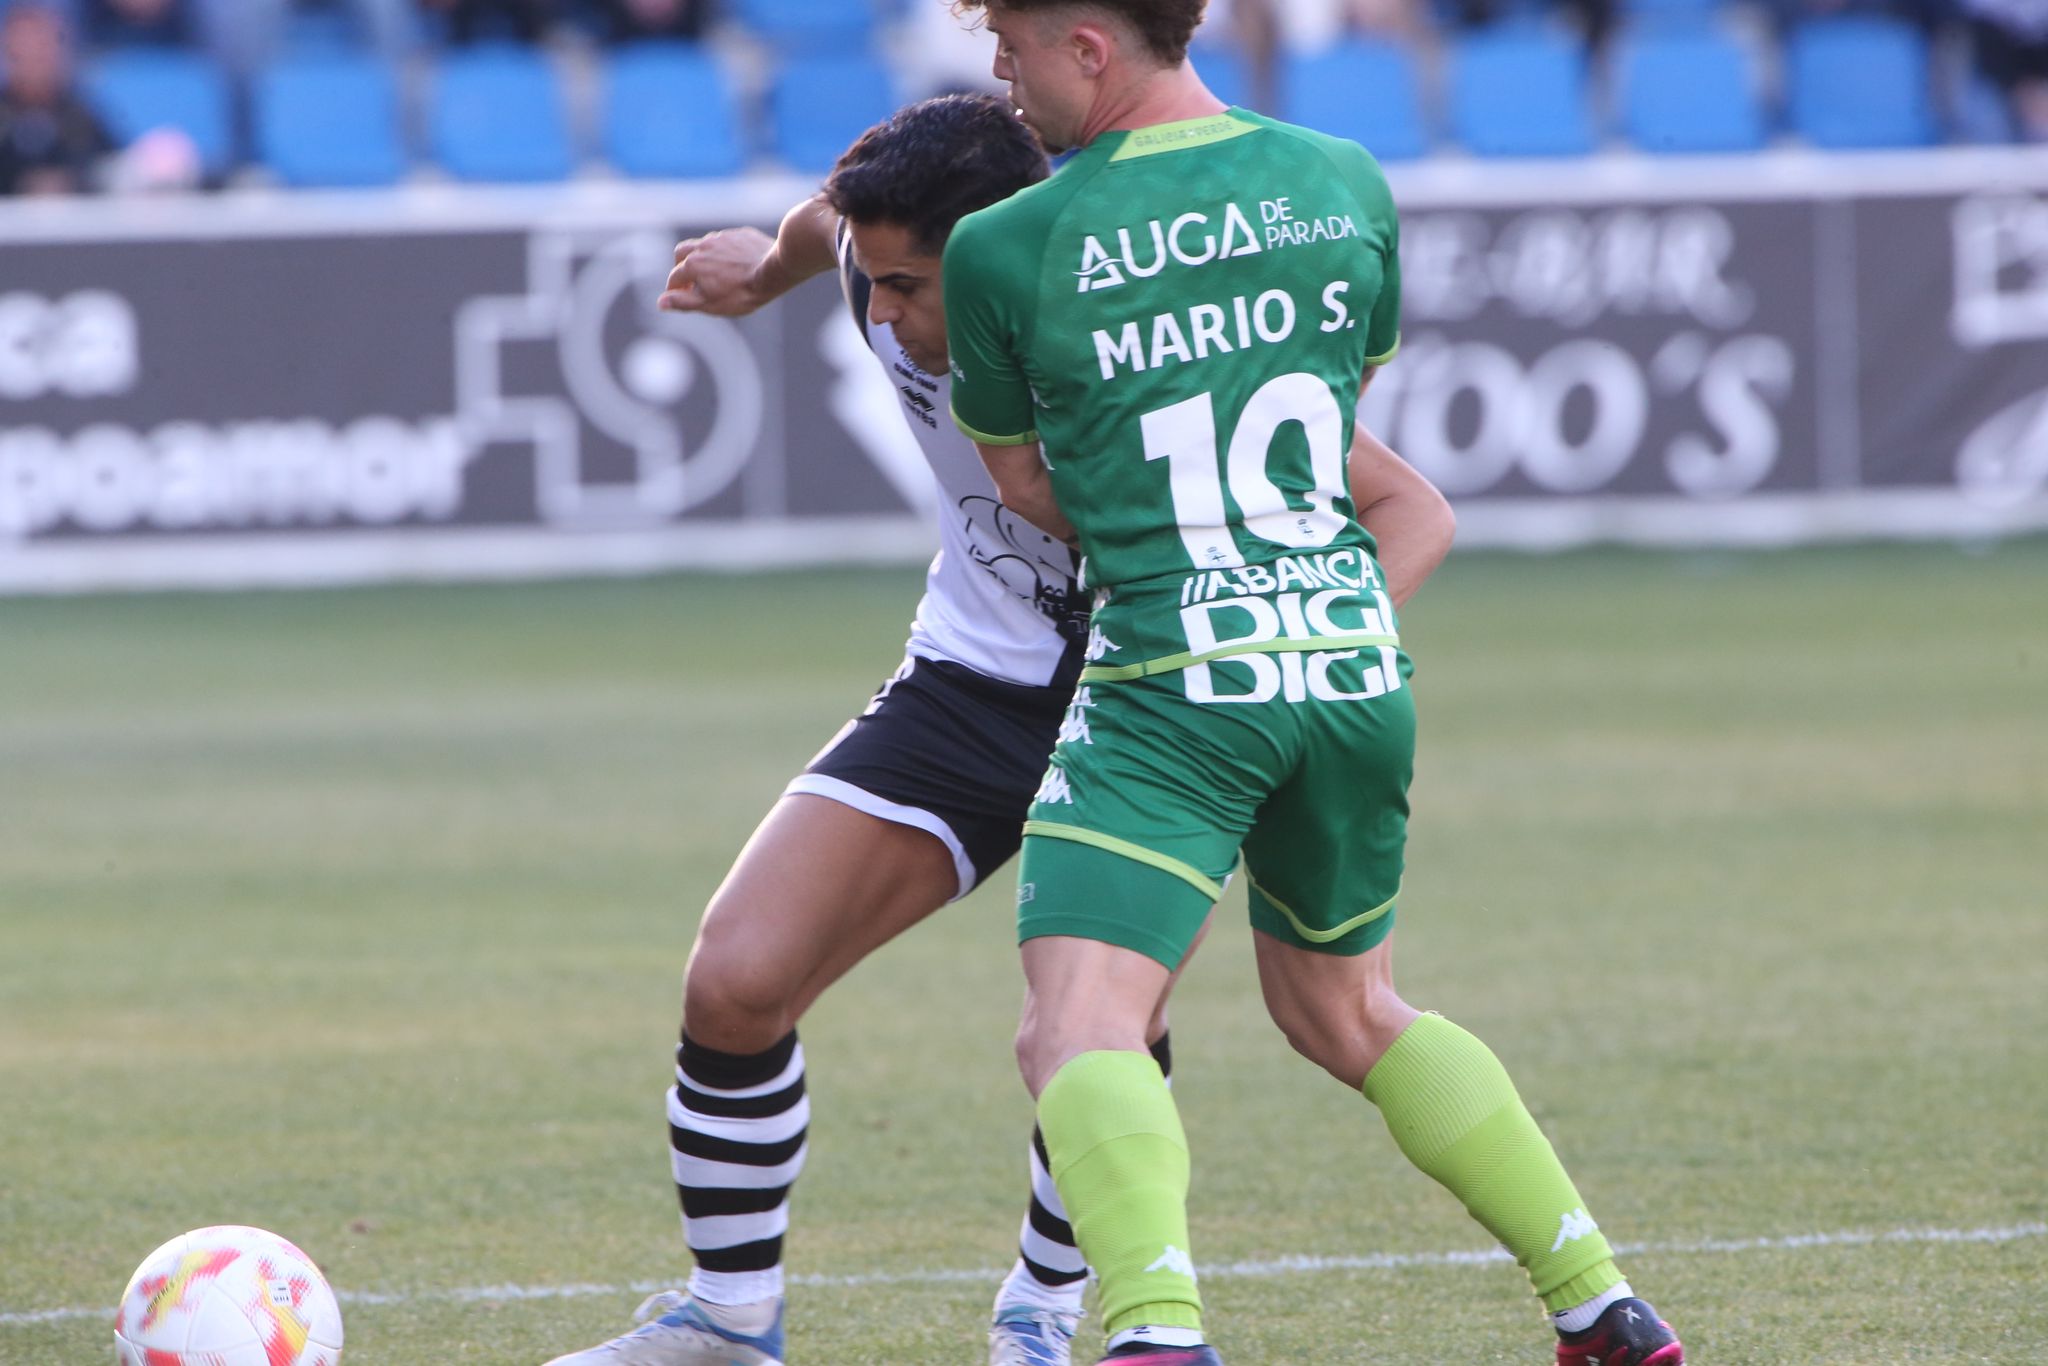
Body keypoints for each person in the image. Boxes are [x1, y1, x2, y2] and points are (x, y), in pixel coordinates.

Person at [539, 93, 1455, 1366]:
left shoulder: (1110, 326)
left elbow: (1403, 506)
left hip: (1153, 699)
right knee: (736, 978)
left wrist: (1296, 641)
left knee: (1099, 1028)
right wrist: (768, 266)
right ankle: (729, 1324)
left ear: (995, 256)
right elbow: (829, 228)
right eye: (878, 280)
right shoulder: (877, 257)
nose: (882, 317)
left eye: (909, 286)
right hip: (969, 684)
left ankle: (1039, 1311)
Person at [940, 4, 1686, 1364]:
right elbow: (1316, 417)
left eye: (1014, 39)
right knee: (1347, 1007)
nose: (1000, 68)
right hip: (1346, 661)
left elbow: (1030, 485)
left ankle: (1156, 1331)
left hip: (1175, 671)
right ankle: (1601, 1302)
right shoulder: (1341, 177)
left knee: (1078, 1025)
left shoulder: (1005, 244)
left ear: (1091, 44)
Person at [0, 3, 114, 197]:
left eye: (41, 51)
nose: (32, 61)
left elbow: (108, 170)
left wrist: (71, 182)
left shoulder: (80, 115)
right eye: (22, 53)